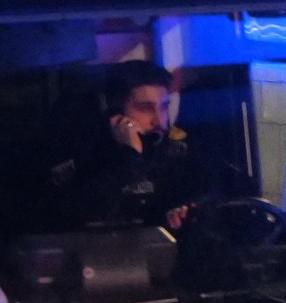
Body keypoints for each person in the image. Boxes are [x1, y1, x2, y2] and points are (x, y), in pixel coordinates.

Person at [52, 61, 222, 232]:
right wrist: (129, 157)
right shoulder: (87, 153)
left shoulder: (178, 153)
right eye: (145, 108)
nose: (158, 120)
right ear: (116, 113)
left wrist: (189, 212)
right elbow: (73, 214)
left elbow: (207, 202)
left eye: (164, 107)